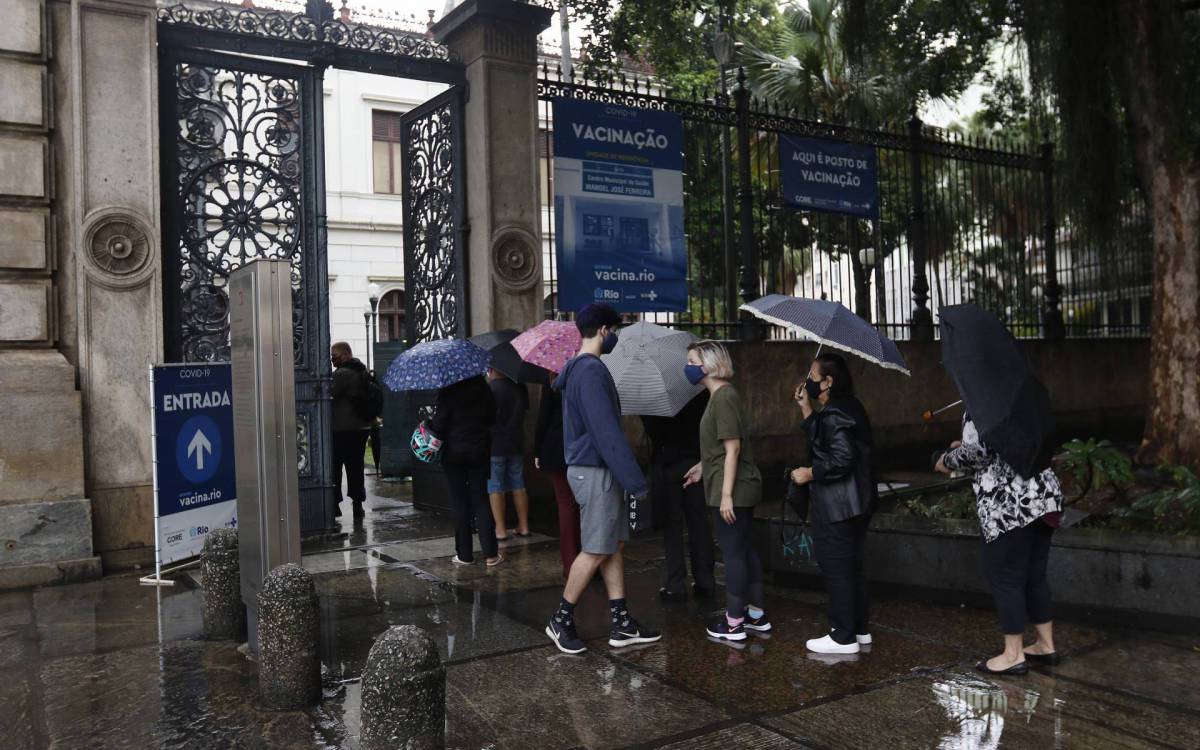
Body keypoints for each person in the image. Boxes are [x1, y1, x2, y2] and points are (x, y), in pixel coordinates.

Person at [545, 303, 661, 655]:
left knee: (612, 546)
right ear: (605, 331)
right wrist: (635, 481)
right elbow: (606, 432)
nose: (618, 336)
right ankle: (560, 619)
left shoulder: (579, 370)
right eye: (617, 330)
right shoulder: (591, 372)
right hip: (596, 471)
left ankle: (622, 622)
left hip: (594, 470)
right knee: (596, 548)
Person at [936, 414, 1063, 675]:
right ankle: (1045, 644)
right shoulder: (1022, 402)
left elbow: (979, 452)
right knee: (1034, 576)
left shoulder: (983, 404)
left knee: (1006, 578)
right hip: (1043, 497)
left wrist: (946, 459)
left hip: (1008, 505)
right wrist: (965, 444)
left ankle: (1013, 654)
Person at [790, 352, 876, 655]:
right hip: (857, 504)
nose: (808, 382)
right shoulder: (847, 407)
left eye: (813, 378)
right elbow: (822, 442)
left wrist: (808, 473)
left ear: (828, 382)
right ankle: (859, 629)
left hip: (837, 506)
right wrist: (806, 409)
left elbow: (839, 458)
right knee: (853, 566)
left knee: (837, 567)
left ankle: (842, 635)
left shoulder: (836, 413)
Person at [682, 341, 769, 642]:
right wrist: (702, 467)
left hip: (734, 487)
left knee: (733, 553)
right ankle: (756, 615)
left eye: (692, 361)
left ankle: (734, 624)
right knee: (743, 549)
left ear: (707, 365)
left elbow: (733, 449)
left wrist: (726, 496)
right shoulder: (720, 396)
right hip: (732, 482)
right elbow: (720, 448)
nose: (689, 366)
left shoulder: (723, 397)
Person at [642, 390, 716, 601]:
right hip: (695, 461)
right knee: (699, 523)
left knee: (672, 527)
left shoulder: (654, 396)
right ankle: (705, 582)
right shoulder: (699, 391)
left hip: (668, 464)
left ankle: (675, 584)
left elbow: (654, 433)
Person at [430, 375, 504, 567]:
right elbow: (492, 417)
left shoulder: (447, 390)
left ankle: (464, 555)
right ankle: (490, 555)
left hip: (453, 454)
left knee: (459, 502)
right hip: (479, 451)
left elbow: (439, 425)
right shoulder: (483, 388)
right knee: (481, 500)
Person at [534, 378, 581, 579]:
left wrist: (537, 451)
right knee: (584, 506)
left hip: (555, 449)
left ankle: (571, 565)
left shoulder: (552, 380)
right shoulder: (584, 377)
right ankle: (588, 561)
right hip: (581, 447)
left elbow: (542, 418)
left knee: (566, 506)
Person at [487, 368, 531, 541]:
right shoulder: (520, 387)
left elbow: (486, 417)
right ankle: (524, 526)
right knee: (518, 484)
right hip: (516, 442)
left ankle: (500, 529)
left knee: (496, 486)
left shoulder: (491, 389)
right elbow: (525, 411)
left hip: (495, 445)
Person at [330, 341, 372, 520]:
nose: (332, 359)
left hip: (342, 429)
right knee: (356, 467)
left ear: (345, 354)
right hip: (360, 428)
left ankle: (333, 504)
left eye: (335, 355)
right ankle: (358, 505)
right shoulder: (362, 371)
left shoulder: (342, 374)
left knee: (335, 467)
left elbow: (328, 394)